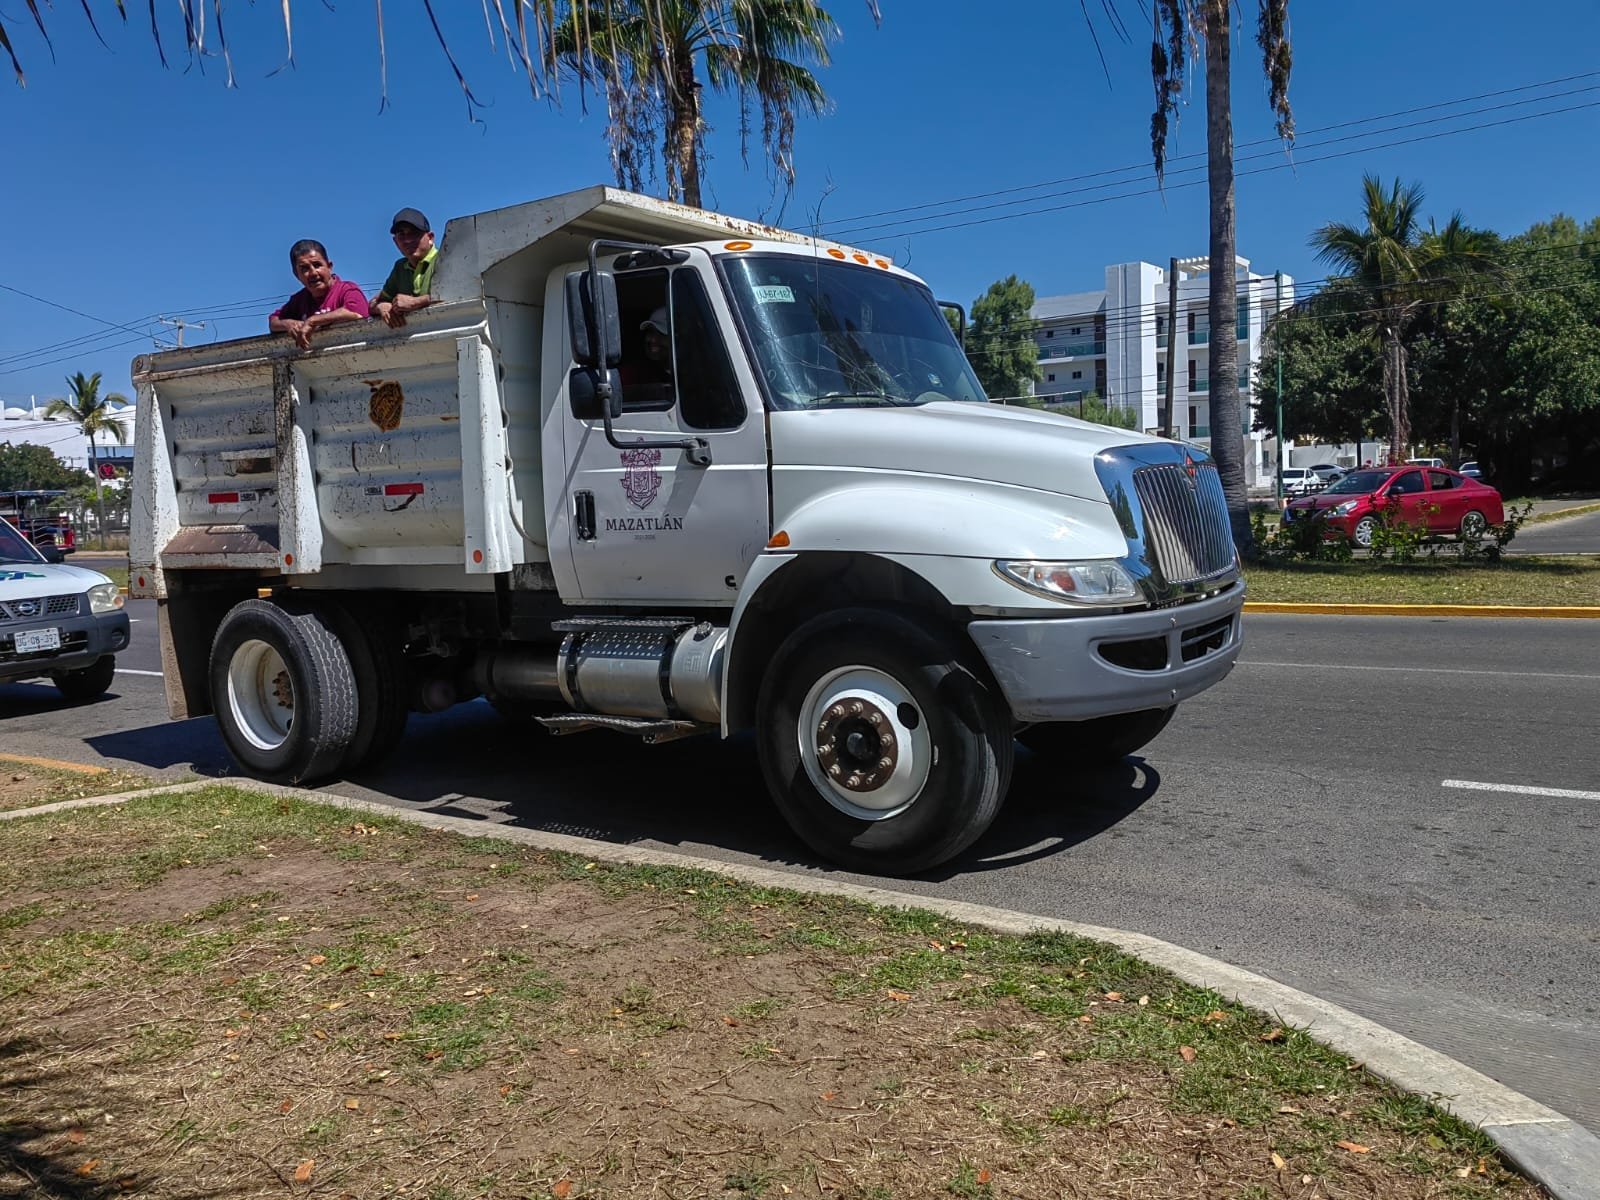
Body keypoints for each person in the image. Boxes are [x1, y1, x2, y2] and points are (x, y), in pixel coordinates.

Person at [269, 240, 370, 350]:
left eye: (317, 265)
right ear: (296, 275)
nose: (313, 273)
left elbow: (356, 313)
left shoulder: (347, 289)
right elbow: (274, 322)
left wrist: (312, 321)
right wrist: (288, 324)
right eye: (304, 269)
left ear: (329, 266)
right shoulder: (299, 300)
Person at [372, 207, 439, 329]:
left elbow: (462, 293)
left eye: (414, 233)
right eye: (401, 235)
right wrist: (382, 306)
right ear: (395, 241)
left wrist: (416, 302)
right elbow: (372, 304)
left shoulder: (445, 259)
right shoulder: (400, 267)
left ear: (430, 237)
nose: (407, 240)